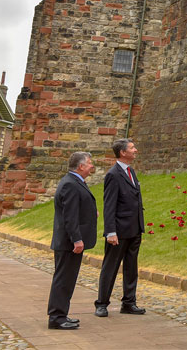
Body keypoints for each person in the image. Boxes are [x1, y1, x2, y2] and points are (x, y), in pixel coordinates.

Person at [94, 138, 146, 317]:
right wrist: (111, 232)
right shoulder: (113, 174)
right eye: (132, 148)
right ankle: (102, 304)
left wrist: (140, 225)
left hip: (134, 229)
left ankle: (129, 303)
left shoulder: (131, 171)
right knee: (110, 267)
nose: (136, 150)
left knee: (131, 268)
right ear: (123, 152)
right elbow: (109, 206)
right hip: (118, 232)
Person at [47, 151, 97, 330]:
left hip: (69, 242)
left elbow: (76, 208)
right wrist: (77, 239)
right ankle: (57, 318)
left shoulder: (74, 182)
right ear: (80, 166)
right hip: (69, 243)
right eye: (89, 163)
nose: (92, 166)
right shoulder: (70, 184)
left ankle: (61, 314)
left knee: (66, 280)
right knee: (63, 280)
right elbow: (69, 216)